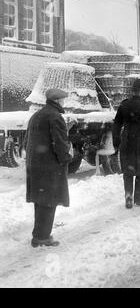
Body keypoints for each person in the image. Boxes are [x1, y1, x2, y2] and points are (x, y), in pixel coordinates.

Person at [25, 88, 72, 248]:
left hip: (35, 164)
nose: (64, 103)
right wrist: (66, 159)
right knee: (49, 201)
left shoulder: (36, 116)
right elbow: (59, 143)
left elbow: (27, 142)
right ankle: (42, 237)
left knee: (40, 200)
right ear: (58, 101)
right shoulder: (55, 117)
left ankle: (38, 234)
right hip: (49, 166)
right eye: (63, 100)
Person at [113, 79, 140, 209]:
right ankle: (139, 199)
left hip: (127, 142)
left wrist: (116, 142)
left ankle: (128, 195)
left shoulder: (124, 105)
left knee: (128, 172)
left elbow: (116, 125)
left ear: (132, 91)